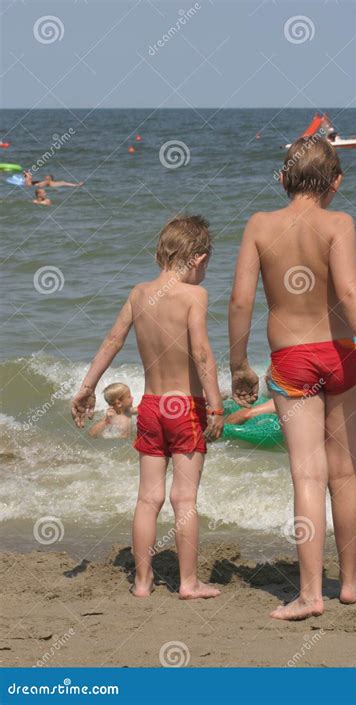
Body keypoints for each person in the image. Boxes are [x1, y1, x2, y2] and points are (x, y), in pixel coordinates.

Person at [228, 137, 356, 621]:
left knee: (307, 473)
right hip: (343, 355)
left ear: (282, 180)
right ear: (337, 183)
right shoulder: (339, 223)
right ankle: (349, 584)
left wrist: (239, 363)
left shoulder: (260, 226)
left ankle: (308, 595)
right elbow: (349, 292)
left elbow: (240, 300)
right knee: (344, 473)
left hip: (293, 360)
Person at [71, 215, 223, 600]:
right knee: (183, 499)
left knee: (148, 498)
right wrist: (217, 405)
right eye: (207, 264)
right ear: (198, 258)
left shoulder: (139, 294)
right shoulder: (194, 297)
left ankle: (142, 581)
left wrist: (87, 388)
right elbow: (202, 354)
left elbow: (112, 340)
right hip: (186, 405)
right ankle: (188, 583)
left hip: (151, 405)